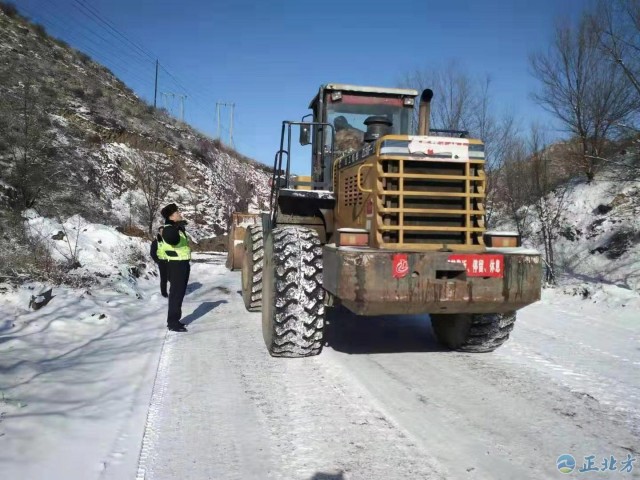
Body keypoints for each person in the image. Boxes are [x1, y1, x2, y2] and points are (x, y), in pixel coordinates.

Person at [160, 203, 191, 332]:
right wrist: (177, 227)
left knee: (180, 294)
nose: (180, 214)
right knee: (175, 294)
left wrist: (179, 226)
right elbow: (171, 239)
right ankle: (172, 323)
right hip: (175, 265)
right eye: (177, 213)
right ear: (171, 217)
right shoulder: (168, 228)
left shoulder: (175, 227)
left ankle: (175, 319)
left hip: (182, 264)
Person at [149, 226, 168, 297]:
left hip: (171, 262)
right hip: (162, 262)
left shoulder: (169, 240)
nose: (163, 232)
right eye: (161, 231)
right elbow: (152, 252)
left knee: (173, 278)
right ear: (159, 232)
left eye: (164, 231)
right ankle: (164, 294)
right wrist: (157, 260)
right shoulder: (156, 241)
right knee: (164, 279)